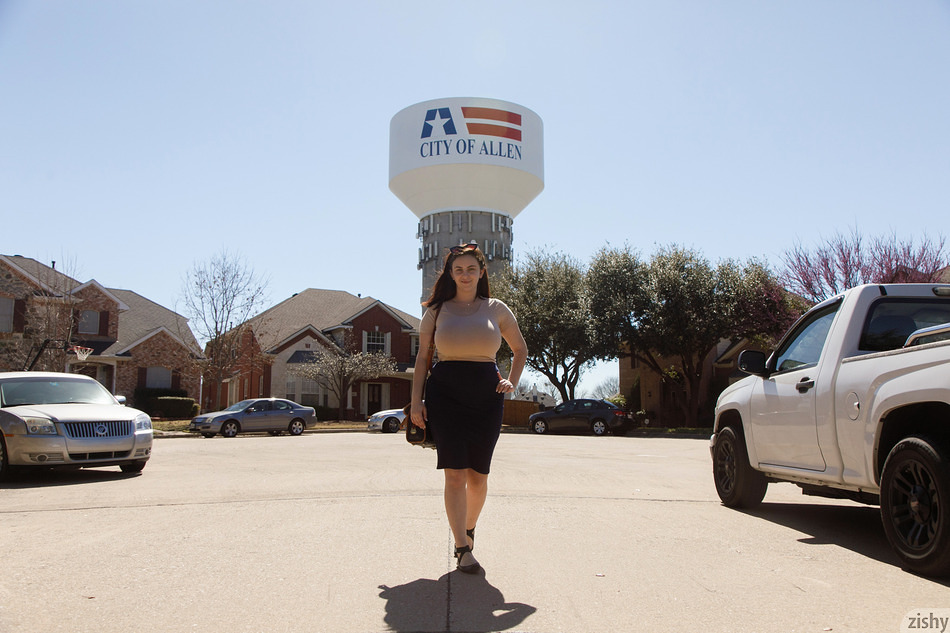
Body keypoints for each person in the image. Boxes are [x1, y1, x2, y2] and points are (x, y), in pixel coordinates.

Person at [409, 242, 528, 574]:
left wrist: (512, 381)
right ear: (450, 273)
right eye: (458, 269)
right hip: (445, 394)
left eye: (471, 269)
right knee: (455, 473)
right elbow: (422, 359)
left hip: (486, 396)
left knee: (478, 477)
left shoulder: (496, 309)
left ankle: (469, 528)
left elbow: (520, 349)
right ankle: (462, 547)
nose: (465, 275)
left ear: (481, 272)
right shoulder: (436, 311)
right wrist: (416, 401)